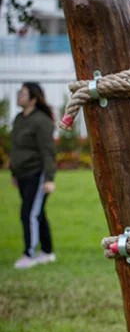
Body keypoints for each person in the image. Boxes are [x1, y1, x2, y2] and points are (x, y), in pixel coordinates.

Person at [10, 82, 57, 269]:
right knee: (38, 214)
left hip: (37, 175)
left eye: (23, 93)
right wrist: (14, 173)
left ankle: (29, 254)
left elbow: (48, 152)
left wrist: (49, 179)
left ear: (33, 98)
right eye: (19, 93)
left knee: (28, 214)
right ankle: (47, 252)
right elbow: (17, 148)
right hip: (22, 175)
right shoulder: (19, 119)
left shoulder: (41, 121)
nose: (19, 96)